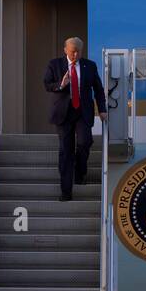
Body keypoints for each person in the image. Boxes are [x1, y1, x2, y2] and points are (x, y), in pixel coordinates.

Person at [43, 36, 107, 201]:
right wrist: (61, 84)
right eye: (72, 51)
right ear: (65, 50)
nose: (75, 54)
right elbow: (47, 84)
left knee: (85, 142)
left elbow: (98, 89)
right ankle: (66, 192)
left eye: (78, 51)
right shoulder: (55, 64)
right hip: (63, 113)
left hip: (82, 111)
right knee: (66, 151)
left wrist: (102, 109)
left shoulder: (90, 66)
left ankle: (80, 172)